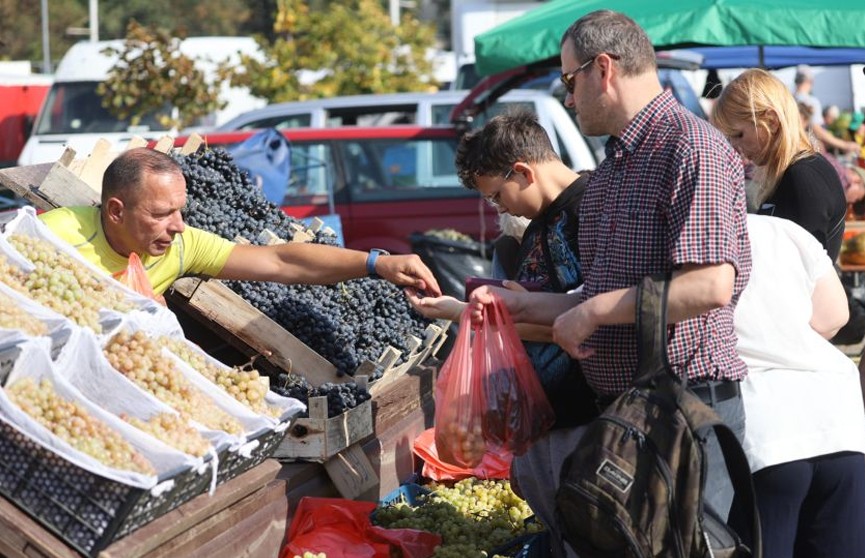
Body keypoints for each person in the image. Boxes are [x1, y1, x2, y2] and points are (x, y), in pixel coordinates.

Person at [470, 10, 752, 554]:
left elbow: (710, 286)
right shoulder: (615, 167)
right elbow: (594, 295)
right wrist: (521, 304)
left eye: (568, 80)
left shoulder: (692, 149)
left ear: (603, 69)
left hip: (687, 408)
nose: (568, 99)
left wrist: (593, 313)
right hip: (627, 413)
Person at [407, 110, 595, 558]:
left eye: (496, 195)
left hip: (585, 420)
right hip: (553, 422)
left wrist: (467, 315)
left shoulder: (588, 213)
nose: (500, 208)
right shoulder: (543, 225)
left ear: (524, 172)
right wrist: (461, 312)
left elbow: (583, 323)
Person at [38, 147, 441, 297]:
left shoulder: (182, 245)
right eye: (162, 215)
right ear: (115, 212)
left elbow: (284, 262)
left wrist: (376, 264)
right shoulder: (52, 237)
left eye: (180, 210)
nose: (178, 225)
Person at [733, 214, 865, 558]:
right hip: (836, 420)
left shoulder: (672, 236)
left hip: (764, 430)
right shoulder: (785, 230)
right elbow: (835, 316)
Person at [712, 68, 847, 262]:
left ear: (772, 121)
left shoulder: (803, 176)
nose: (735, 146)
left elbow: (803, 272)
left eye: (739, 135)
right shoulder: (794, 172)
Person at [792, 64, 860, 157]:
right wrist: (845, 145)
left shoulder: (789, 99)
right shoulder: (811, 102)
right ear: (810, 81)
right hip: (807, 151)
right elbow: (818, 131)